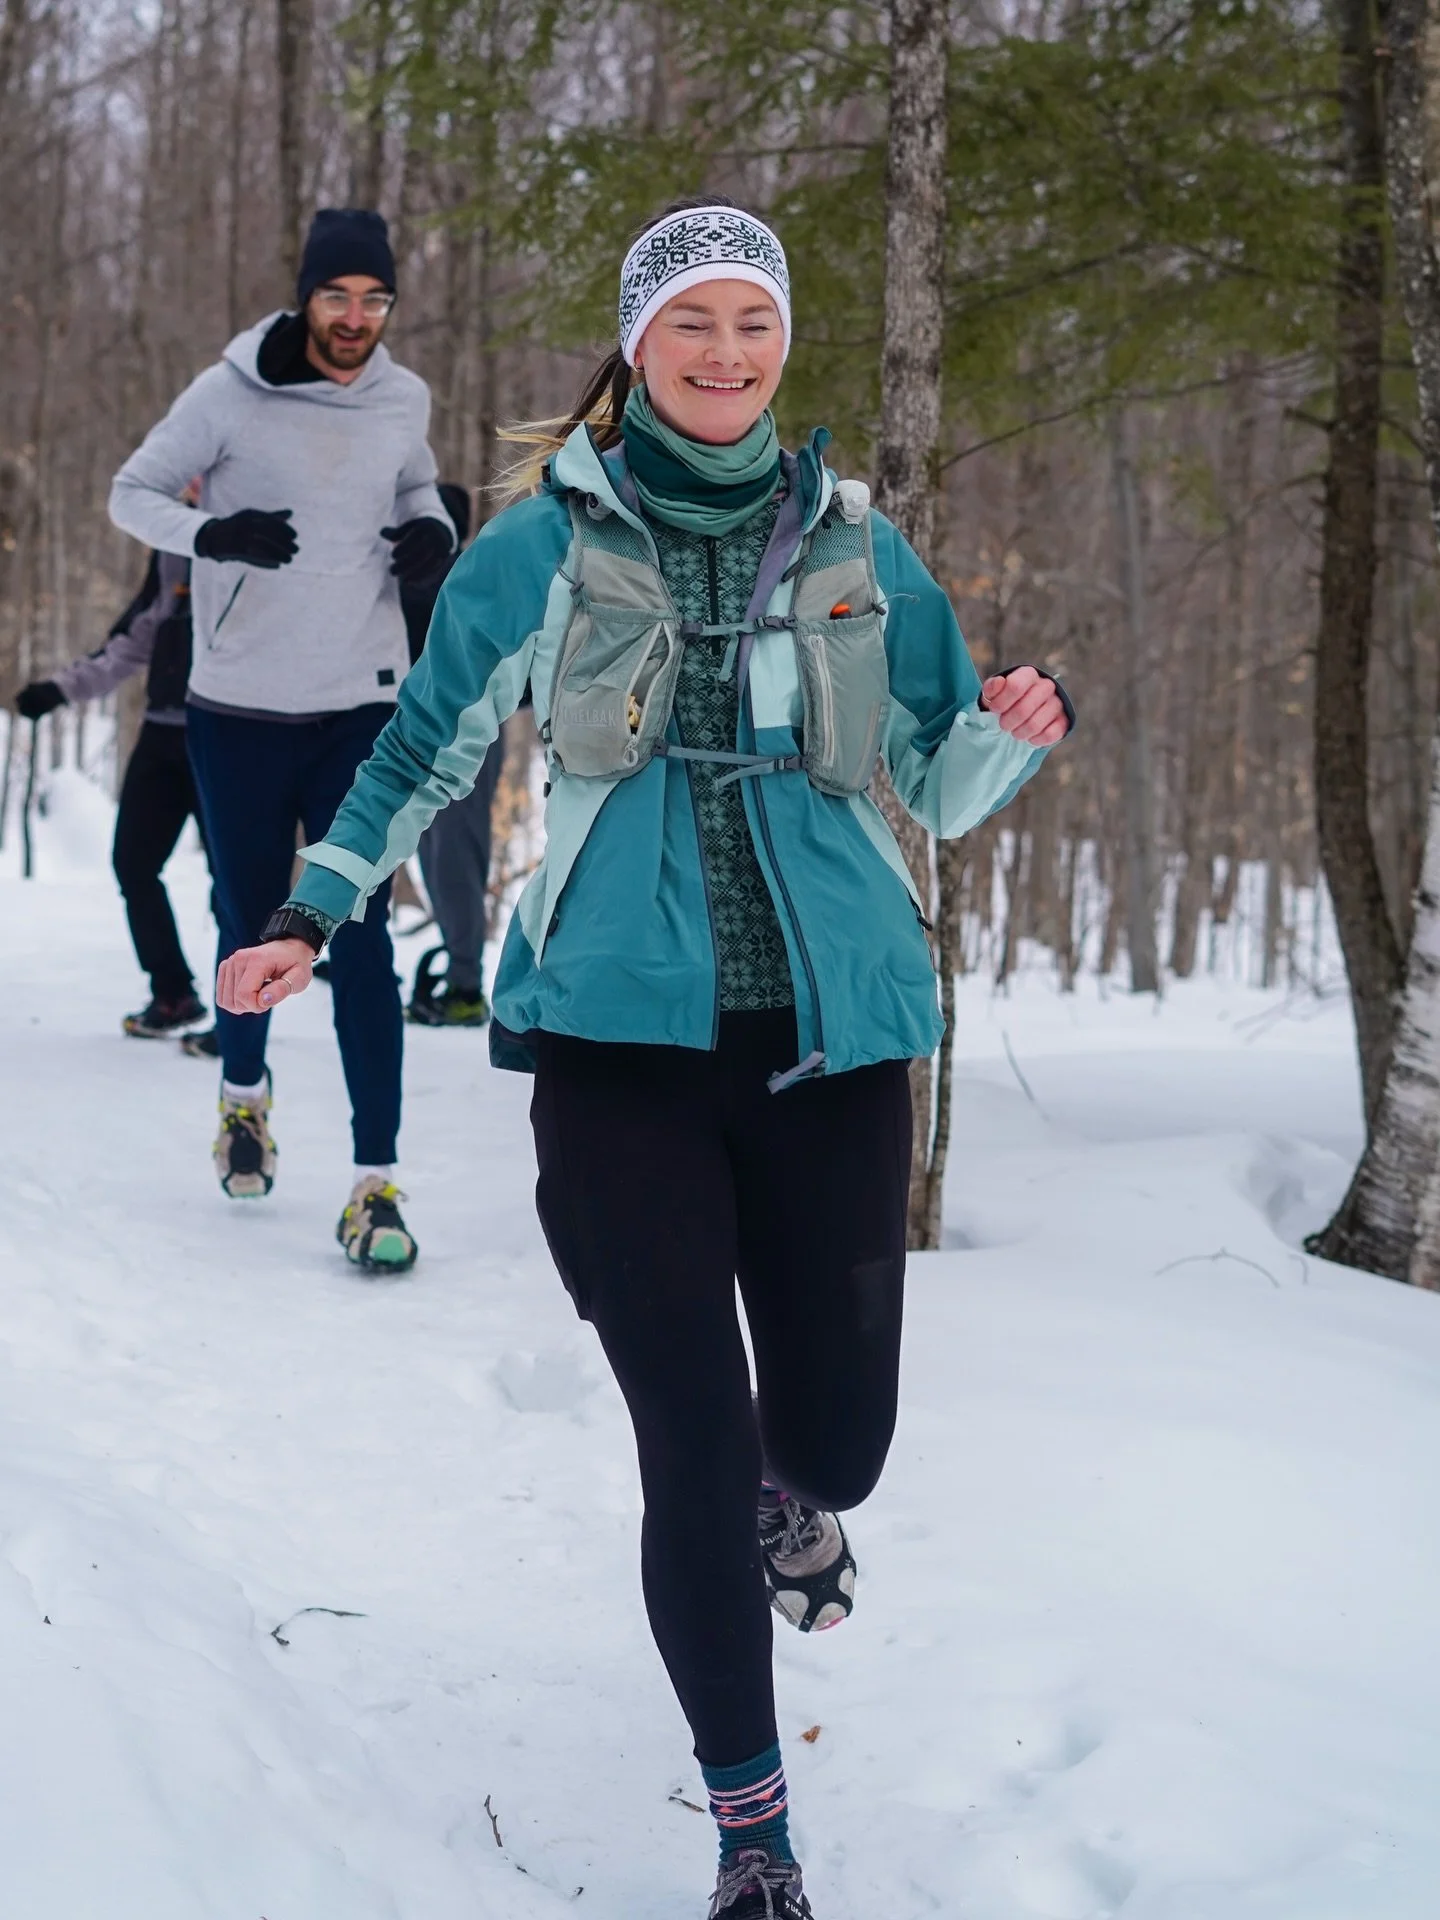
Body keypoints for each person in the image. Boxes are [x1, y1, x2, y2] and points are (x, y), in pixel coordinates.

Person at [215, 198, 1072, 1917]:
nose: (727, 355)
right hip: (616, 1040)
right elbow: (421, 751)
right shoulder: (538, 548)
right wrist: (314, 909)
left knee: (831, 1449)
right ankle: (754, 1834)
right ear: (641, 344)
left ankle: (794, 1498)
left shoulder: (857, 545)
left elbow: (936, 786)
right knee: (686, 1423)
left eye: (753, 325)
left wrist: (1007, 735)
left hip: (834, 1042)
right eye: (695, 326)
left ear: (780, 348)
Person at [108, 206, 454, 1271]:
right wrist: (211, 532)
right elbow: (134, 493)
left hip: (362, 701)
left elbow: (413, 484)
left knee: (357, 935)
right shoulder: (230, 394)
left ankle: (375, 1184)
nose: (356, 318)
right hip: (241, 705)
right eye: (337, 296)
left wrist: (434, 525)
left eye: (374, 299)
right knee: (249, 917)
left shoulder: (403, 396)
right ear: (305, 296)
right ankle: (244, 1098)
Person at [15, 549, 211, 1039]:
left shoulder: (257, 528)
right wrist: (61, 690)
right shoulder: (172, 544)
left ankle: (246, 1015)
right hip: (162, 736)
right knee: (134, 865)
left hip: (229, 738)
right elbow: (138, 635)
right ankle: (173, 994)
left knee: (234, 879)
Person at [402, 482, 504, 1029]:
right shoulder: (424, 575)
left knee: (454, 855)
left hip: (468, 729)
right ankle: (458, 972)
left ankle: (465, 983)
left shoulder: (464, 576)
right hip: (429, 728)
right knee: (435, 852)